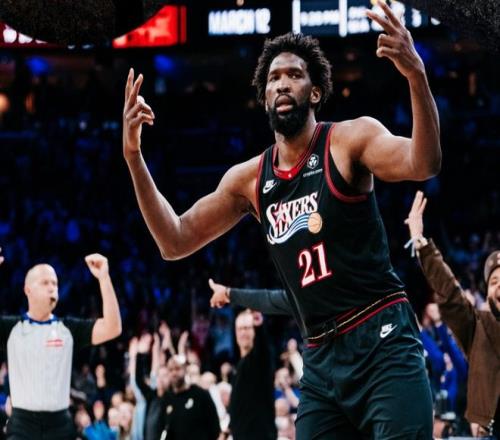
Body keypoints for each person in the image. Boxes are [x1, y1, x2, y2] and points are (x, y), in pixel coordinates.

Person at [122, 0, 441, 436]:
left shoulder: (349, 140)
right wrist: (134, 157)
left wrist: (416, 74)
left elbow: (424, 162)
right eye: (273, 78)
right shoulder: (249, 179)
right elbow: (173, 241)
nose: (282, 83)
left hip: (381, 336)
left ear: (315, 92)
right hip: (321, 356)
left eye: (294, 74)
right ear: (264, 97)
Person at [405, 190, 500, 438]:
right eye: (494, 282)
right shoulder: (478, 327)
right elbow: (450, 293)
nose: (499, 286)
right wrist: (421, 244)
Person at [0, 251, 121, 440]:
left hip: (60, 425)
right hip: (22, 426)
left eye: (55, 283)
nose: (52, 288)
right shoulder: (12, 329)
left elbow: (112, 327)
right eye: (45, 283)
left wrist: (104, 278)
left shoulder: (68, 329)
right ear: (28, 290)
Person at [227, 310, 276, 440]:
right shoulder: (239, 365)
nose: (243, 333)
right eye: (240, 329)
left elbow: (262, 347)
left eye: (247, 328)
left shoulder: (260, 360)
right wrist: (228, 429)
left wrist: (259, 326)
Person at [161, 355, 220, 440]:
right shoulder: (167, 399)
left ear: (185, 369)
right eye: (171, 370)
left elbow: (214, 426)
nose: (174, 373)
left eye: (177, 369)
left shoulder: (200, 394)